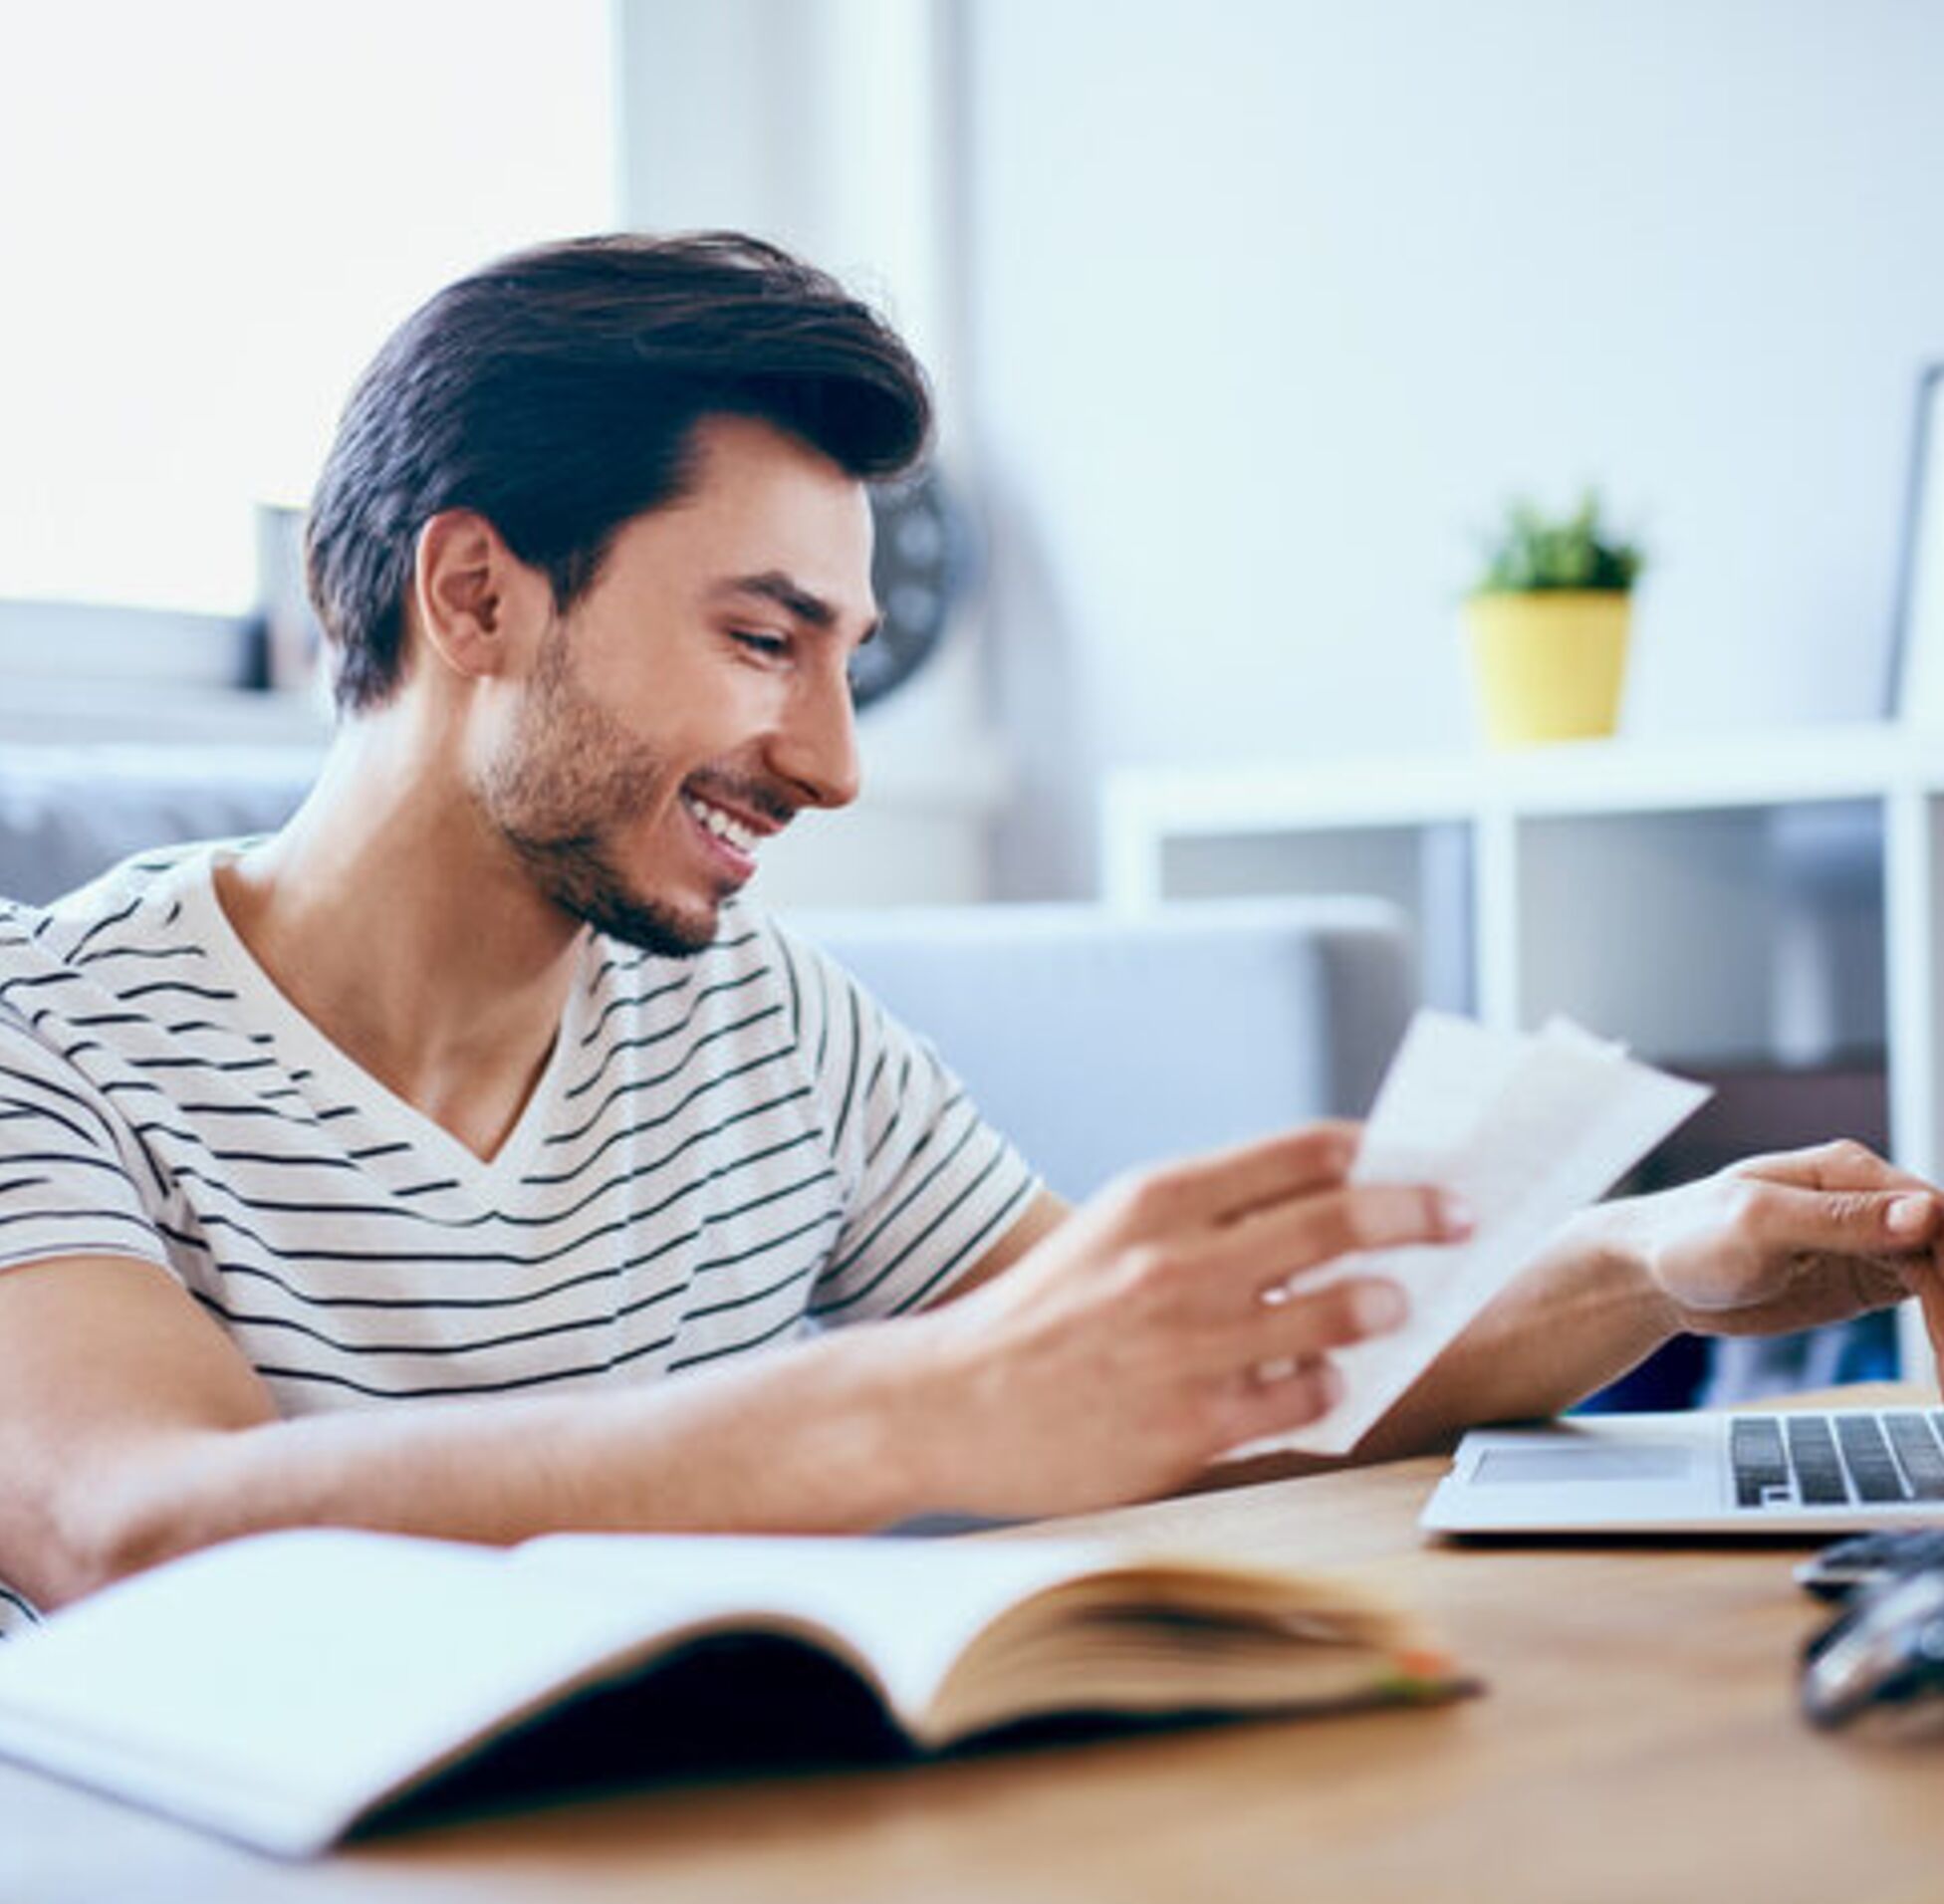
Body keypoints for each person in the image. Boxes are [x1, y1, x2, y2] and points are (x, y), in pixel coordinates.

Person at [0, 233, 1939, 1630]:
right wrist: (917, 1405)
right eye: (763, 641)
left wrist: (1657, 1262)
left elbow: (1188, 1374)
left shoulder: (773, 1027)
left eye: (844, 661)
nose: (830, 764)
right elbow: (127, 1527)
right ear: (477, 593)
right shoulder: (48, 1035)